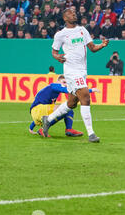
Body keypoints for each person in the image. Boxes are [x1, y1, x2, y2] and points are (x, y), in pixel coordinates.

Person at [42, 8, 109, 142]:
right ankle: (91, 134)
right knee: (85, 97)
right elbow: (54, 51)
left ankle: (47, 120)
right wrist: (57, 58)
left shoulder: (82, 30)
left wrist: (102, 45)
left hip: (82, 71)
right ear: (65, 18)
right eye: (70, 13)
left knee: (72, 103)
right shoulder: (60, 34)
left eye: (74, 12)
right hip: (71, 71)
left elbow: (92, 48)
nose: (74, 14)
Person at [29, 75, 100, 137]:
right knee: (66, 108)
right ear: (58, 81)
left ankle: (68, 130)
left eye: (67, 83)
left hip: (36, 113)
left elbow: (37, 115)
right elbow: (66, 90)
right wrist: (90, 90)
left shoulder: (53, 92)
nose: (66, 84)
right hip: (38, 109)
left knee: (64, 111)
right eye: (64, 82)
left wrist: (31, 127)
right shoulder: (53, 85)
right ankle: (68, 129)